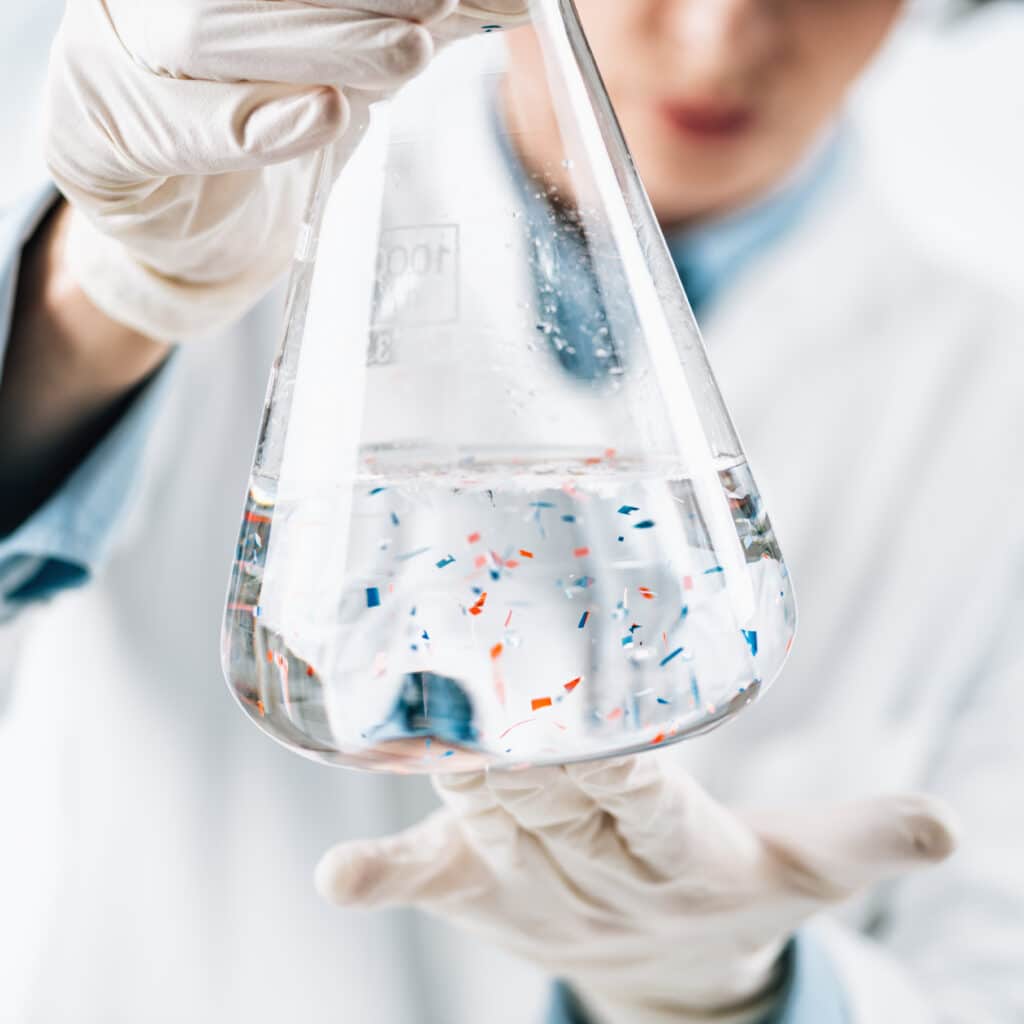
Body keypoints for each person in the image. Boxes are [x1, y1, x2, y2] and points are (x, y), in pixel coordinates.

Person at [1, 1, 1021, 1021]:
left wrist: (734, 996)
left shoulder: (987, 408)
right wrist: (98, 303)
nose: (720, 33)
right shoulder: (238, 200)